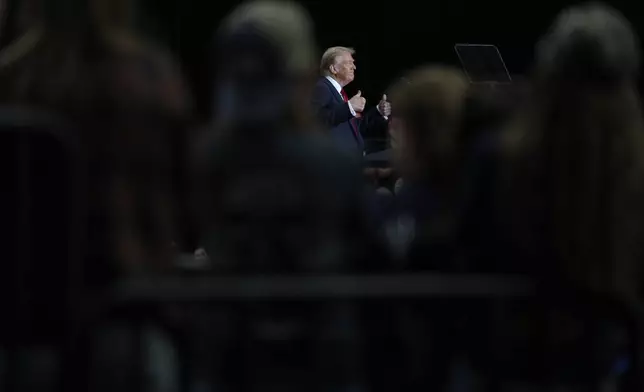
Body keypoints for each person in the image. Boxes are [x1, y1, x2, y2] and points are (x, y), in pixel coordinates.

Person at [312, 46, 390, 156]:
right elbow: (314, 121)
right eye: (349, 63)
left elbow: (355, 128)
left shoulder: (338, 92)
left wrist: (378, 111)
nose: (354, 67)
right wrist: (349, 107)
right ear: (334, 69)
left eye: (353, 63)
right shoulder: (321, 87)